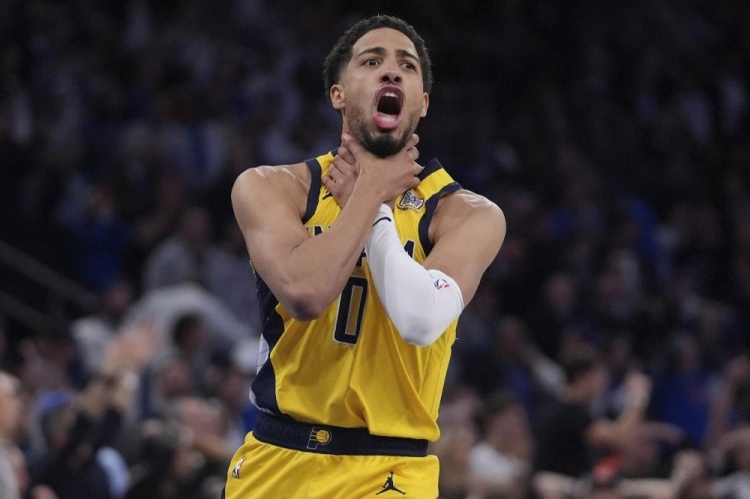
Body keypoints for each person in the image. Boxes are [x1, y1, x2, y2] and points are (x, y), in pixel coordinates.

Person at [224, 14, 506, 499]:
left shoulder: (467, 214)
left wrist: (371, 206)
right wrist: (371, 192)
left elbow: (420, 320)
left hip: (390, 470)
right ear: (338, 94)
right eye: (371, 62)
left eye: (407, 66)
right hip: (276, 458)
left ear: (422, 102)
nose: (391, 71)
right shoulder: (273, 187)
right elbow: (306, 293)